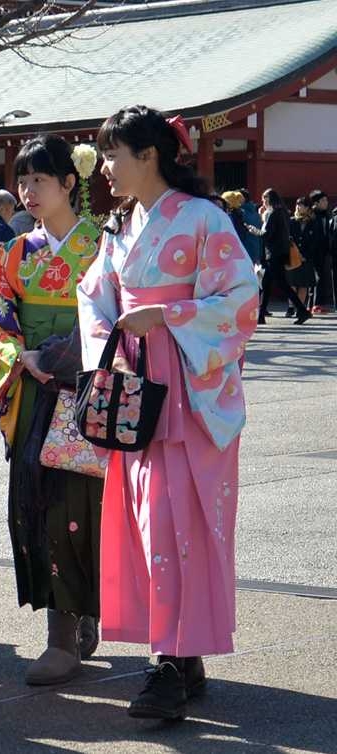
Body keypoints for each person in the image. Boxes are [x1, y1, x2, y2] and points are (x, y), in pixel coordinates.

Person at [79, 104, 259, 720]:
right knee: (148, 522)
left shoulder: (204, 218)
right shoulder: (119, 225)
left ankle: (171, 665)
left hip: (188, 388)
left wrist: (166, 314)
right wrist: (109, 347)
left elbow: (241, 298)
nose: (104, 168)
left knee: (180, 522)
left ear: (148, 155)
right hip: (138, 387)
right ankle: (181, 655)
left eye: (112, 155)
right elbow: (93, 295)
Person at [0, 134, 104, 685]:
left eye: (40, 180)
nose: (28, 191)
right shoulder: (14, 253)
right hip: (33, 391)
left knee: (84, 511)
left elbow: (118, 313)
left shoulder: (102, 246)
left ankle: (88, 609)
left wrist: (76, 352)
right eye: (22, 181)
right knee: (41, 508)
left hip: (86, 389)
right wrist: (20, 355)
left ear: (69, 183)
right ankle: (61, 637)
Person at [248, 189, 310, 324]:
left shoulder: (272, 213)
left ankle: (302, 310)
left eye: (264, 200)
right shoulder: (284, 213)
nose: (263, 203)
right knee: (266, 283)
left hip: (273, 253)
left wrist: (254, 230)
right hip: (282, 251)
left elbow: (267, 235)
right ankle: (261, 315)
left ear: (268, 199)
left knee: (282, 284)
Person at [289, 196, 322, 313]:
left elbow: (315, 242)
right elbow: (288, 238)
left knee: (304, 284)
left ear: (307, 208)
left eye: (301, 205)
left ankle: (300, 307)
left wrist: (305, 255)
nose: (298, 207)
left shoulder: (314, 223)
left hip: (307, 258)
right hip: (293, 255)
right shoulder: (292, 221)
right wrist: (294, 252)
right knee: (291, 282)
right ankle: (291, 307)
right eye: (297, 205)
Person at [309, 189, 332, 312]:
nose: (326, 202)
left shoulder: (325, 215)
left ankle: (318, 303)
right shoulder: (312, 216)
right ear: (316, 203)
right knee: (317, 277)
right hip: (313, 250)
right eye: (323, 200)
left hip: (323, 250)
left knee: (321, 275)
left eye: (326, 200)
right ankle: (315, 303)